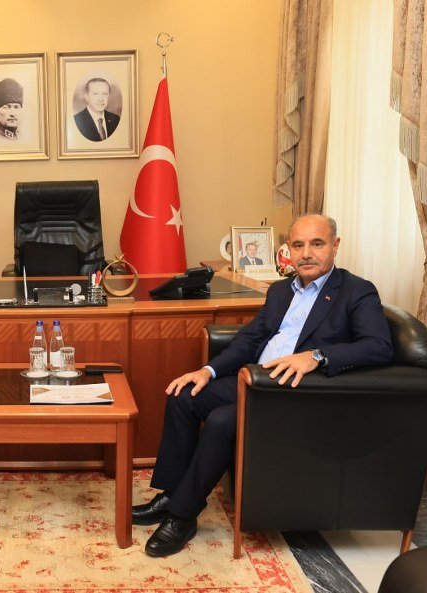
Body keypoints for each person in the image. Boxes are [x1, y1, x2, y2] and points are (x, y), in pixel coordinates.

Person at [132, 214, 394, 558]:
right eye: (298, 245)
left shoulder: (356, 291)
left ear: (335, 245)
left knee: (223, 420)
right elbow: (250, 339)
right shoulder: (281, 290)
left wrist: (317, 356)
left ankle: (182, 516)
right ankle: (172, 495)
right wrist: (208, 371)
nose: (307, 253)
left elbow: (378, 346)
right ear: (289, 250)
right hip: (256, 380)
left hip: (301, 393)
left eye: (317, 244)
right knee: (184, 394)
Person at [73, 78, 120, 142]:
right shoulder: (77, 121)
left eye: (105, 93)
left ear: (108, 96)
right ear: (86, 97)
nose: (101, 99)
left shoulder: (116, 119)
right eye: (95, 93)